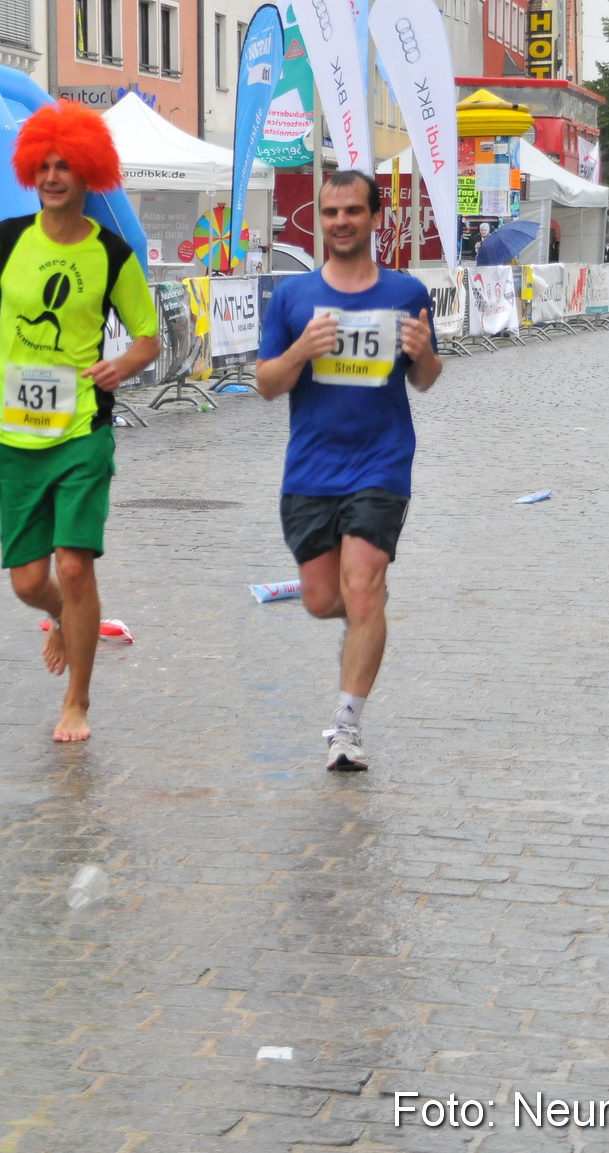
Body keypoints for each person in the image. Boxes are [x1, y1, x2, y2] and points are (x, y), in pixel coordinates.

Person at [0, 102, 159, 742]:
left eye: (66, 165)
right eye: (45, 164)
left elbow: (148, 336)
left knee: (73, 566)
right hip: (14, 434)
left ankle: (78, 701)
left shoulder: (113, 255)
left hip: (82, 430)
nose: (54, 175)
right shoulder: (6, 241)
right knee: (30, 582)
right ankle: (65, 620)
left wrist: (121, 364)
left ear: (90, 173)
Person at [253, 169, 442, 771]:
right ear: (320, 217)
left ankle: (346, 728)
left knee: (362, 589)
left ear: (374, 218)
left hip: (382, 462)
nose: (341, 222)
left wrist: (425, 354)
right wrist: (300, 351)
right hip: (311, 468)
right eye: (331, 212)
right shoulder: (293, 298)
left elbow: (425, 379)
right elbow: (265, 386)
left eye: (353, 211)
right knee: (320, 599)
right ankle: (366, 621)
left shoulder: (407, 292)